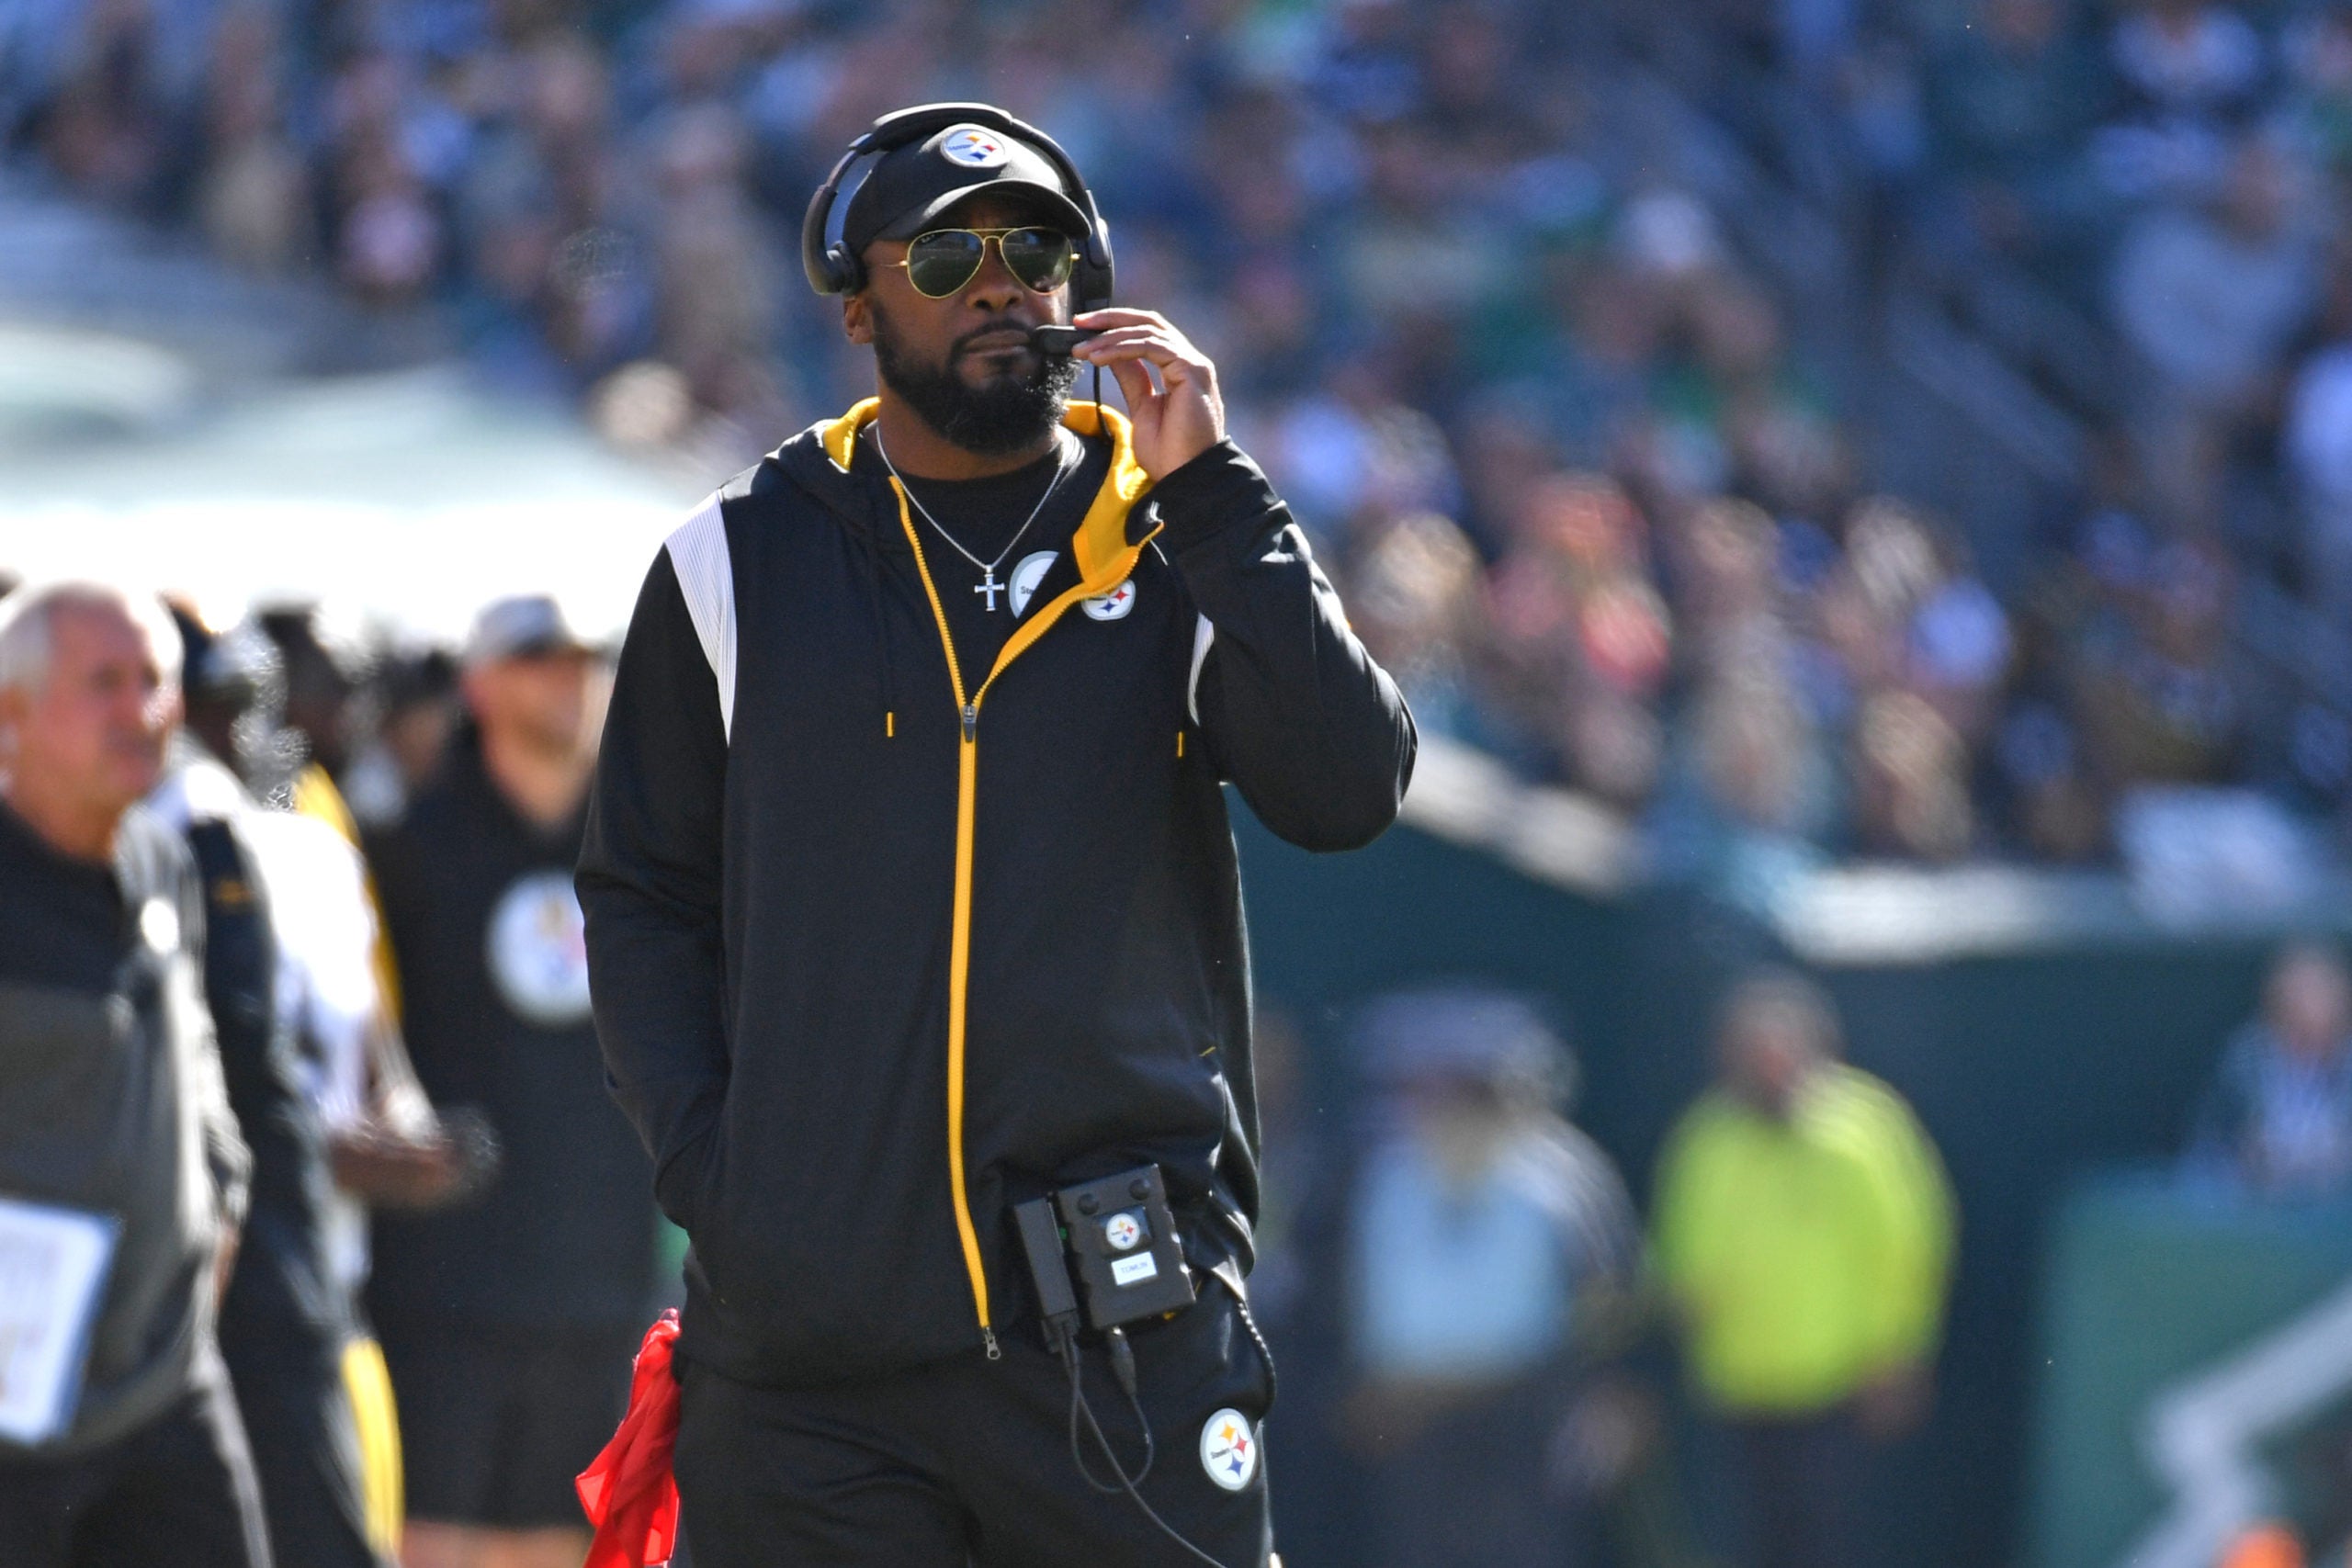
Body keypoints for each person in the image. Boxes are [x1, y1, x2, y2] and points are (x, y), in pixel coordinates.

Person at [578, 102, 1414, 1568]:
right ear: (859, 301)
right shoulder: (733, 558)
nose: (1002, 281)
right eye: (950, 251)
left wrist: (1216, 493)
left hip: (1121, 1327)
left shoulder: (1171, 533)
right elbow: (643, 892)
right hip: (813, 1355)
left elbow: (1348, 791)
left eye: (1037, 249)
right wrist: (723, 1174)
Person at [366, 594, 656, 1568]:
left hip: (602, 1280)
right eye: (537, 658)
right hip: (441, 1287)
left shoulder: (650, 850)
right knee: (427, 1541)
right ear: (478, 684)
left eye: (584, 658)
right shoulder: (407, 846)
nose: (567, 679)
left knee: (576, 1542)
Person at [0, 581, 266, 1568]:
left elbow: (190, 1049)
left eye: (153, 681)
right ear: (10, 714)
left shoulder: (165, 861)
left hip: (166, 1381)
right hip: (17, 1412)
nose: (142, 709)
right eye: (103, 683)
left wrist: (221, 1186)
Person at [1296, 988, 1644, 1568]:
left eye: (1470, 1090)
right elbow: (1319, 1294)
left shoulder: (1564, 1179)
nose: (1453, 1108)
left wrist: (1611, 1393)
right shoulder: (1368, 1175)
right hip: (1407, 1418)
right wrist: (1344, 1387)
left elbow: (1614, 1302)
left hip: (1525, 1417)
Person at [1650, 969, 1956, 1568]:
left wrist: (1899, 1352)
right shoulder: (1705, 1140)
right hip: (1733, 1389)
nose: (1768, 1066)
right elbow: (1678, 1256)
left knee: (1825, 1543)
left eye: (1780, 1050)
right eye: (1752, 1052)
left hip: (1834, 1387)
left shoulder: (1863, 1131)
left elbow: (1910, 1247)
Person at [2188, 942, 2352, 1197]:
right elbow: (2224, 1142)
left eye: (2318, 993)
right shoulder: (2247, 1055)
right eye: (2296, 994)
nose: (2307, 1005)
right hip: (2253, 1194)